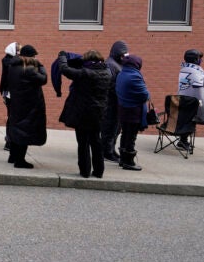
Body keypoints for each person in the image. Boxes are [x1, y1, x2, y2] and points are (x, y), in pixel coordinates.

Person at [57, 50, 112, 178]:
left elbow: (64, 69)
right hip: (99, 113)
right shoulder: (107, 73)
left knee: (83, 143)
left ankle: (85, 171)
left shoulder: (85, 73)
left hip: (83, 112)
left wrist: (62, 57)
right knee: (96, 141)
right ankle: (99, 171)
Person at [6, 45, 47, 169]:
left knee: (16, 128)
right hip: (29, 105)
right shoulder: (29, 70)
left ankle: (12, 156)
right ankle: (20, 160)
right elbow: (44, 79)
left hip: (16, 103)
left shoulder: (12, 67)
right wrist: (41, 66)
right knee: (24, 132)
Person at [115, 55, 149, 171]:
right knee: (131, 137)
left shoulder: (121, 73)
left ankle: (122, 160)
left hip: (123, 109)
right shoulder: (134, 76)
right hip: (133, 111)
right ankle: (128, 161)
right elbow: (145, 95)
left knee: (125, 134)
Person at [100, 40, 129, 162]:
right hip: (110, 103)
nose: (124, 57)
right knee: (110, 128)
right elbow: (109, 85)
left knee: (116, 128)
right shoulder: (111, 65)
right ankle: (107, 151)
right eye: (123, 54)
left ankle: (111, 149)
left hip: (116, 102)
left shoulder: (117, 64)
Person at [177, 49, 204, 151]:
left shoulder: (184, 69)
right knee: (192, 118)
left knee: (186, 117)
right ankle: (183, 141)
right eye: (200, 58)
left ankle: (183, 140)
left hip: (183, 100)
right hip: (191, 101)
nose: (201, 60)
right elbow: (201, 88)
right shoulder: (196, 72)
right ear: (195, 59)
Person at [0, 42, 20, 151]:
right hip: (10, 93)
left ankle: (11, 140)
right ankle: (9, 141)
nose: (19, 52)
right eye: (18, 50)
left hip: (10, 93)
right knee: (12, 117)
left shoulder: (10, 61)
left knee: (12, 117)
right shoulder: (9, 62)